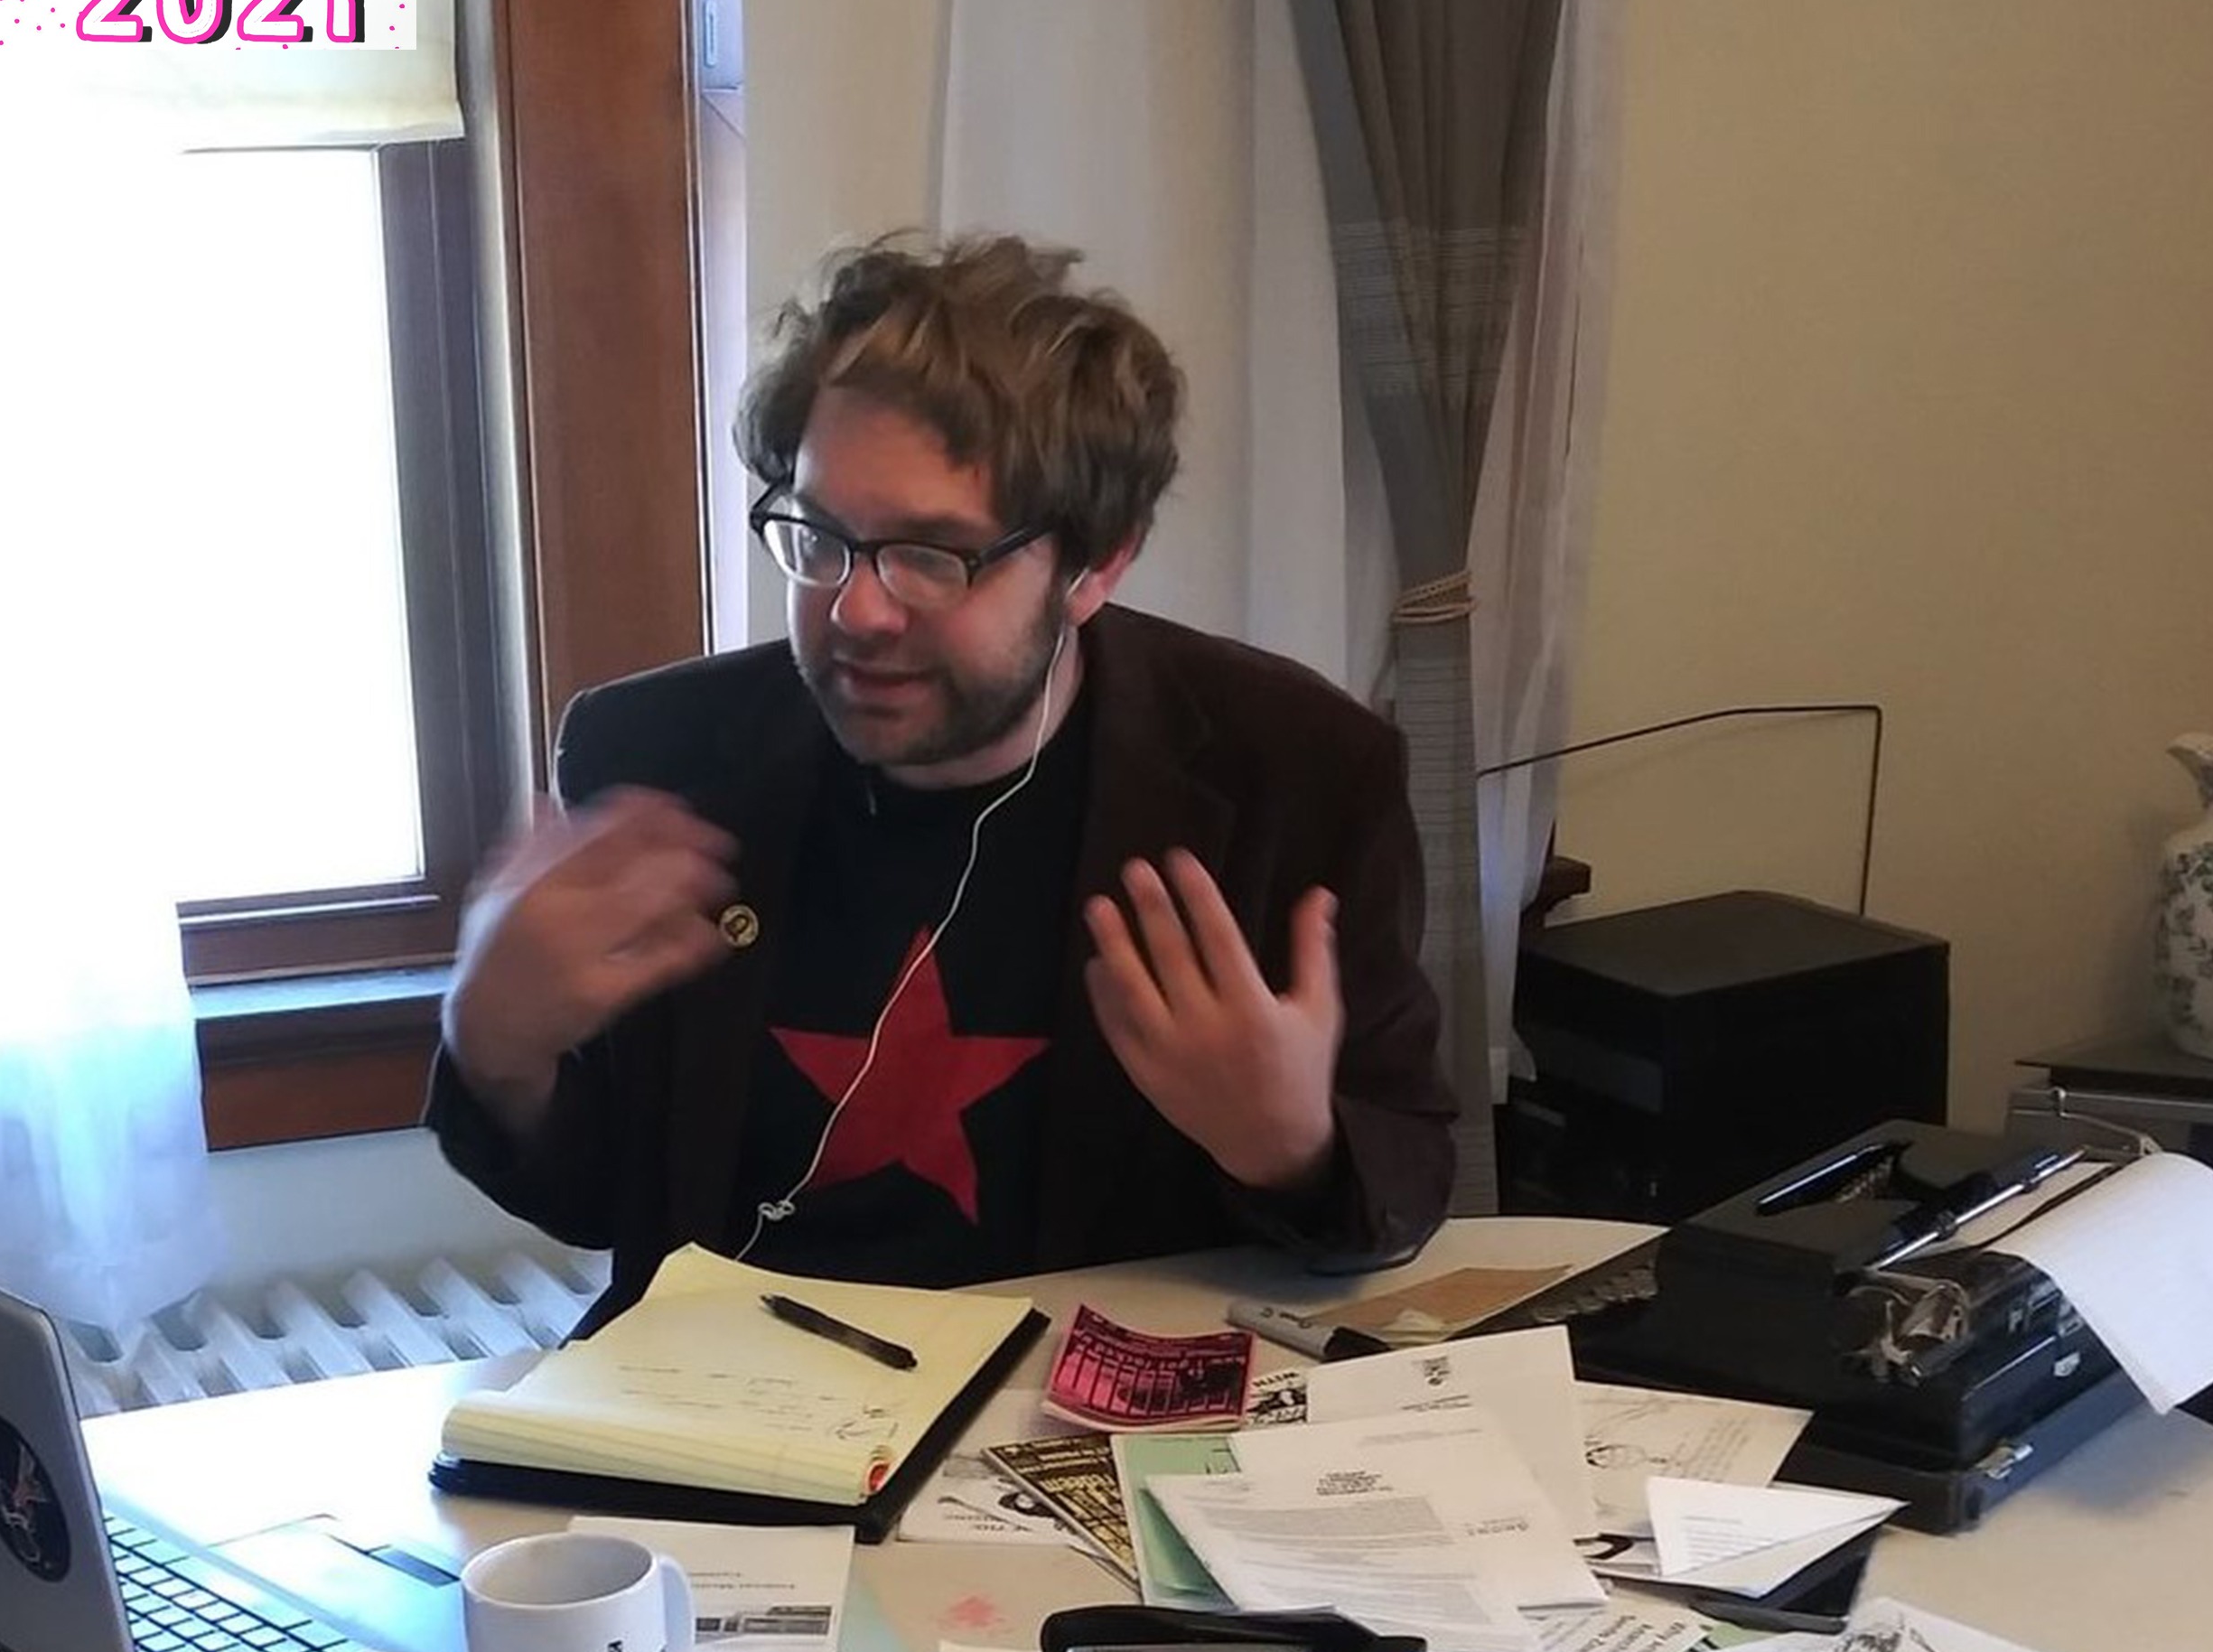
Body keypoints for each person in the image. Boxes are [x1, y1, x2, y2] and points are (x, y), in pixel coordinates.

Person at [429, 231, 1457, 1321]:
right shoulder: (658, 753)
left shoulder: (1293, 769)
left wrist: (1291, 1147)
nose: (858, 609)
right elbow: (603, 1201)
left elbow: (1405, 1181)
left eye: (932, 556)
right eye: (820, 537)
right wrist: (497, 1048)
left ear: (1096, 564)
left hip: (1084, 1395)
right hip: (730, 1400)